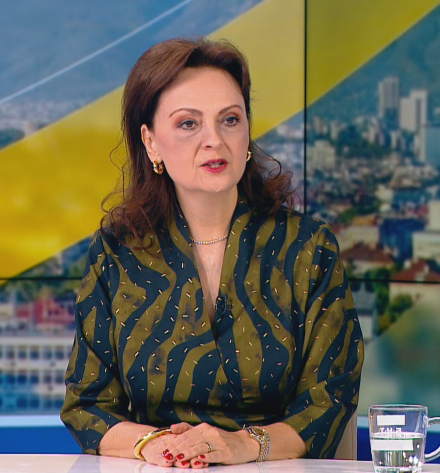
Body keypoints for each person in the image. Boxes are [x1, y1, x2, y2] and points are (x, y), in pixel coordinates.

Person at [61, 36, 363, 469]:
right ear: (151, 142)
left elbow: (329, 400)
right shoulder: (116, 252)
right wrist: (160, 446)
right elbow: (87, 405)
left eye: (230, 120)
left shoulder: (308, 249)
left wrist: (243, 445)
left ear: (247, 132)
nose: (214, 141)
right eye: (189, 124)